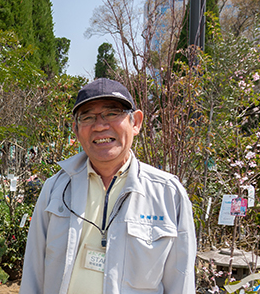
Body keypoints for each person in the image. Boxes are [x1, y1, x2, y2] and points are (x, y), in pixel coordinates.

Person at [19, 78, 196, 294]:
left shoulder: (168, 193)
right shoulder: (55, 189)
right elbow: (33, 274)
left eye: (112, 113)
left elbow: (181, 282)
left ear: (136, 122)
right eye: (88, 117)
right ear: (76, 129)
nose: (100, 125)